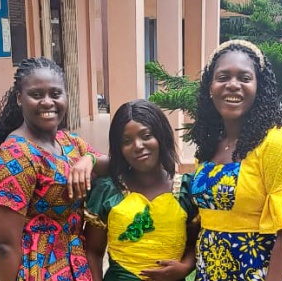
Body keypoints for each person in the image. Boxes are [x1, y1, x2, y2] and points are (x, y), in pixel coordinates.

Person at [190, 40, 282, 280]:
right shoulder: (209, 147)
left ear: (259, 87)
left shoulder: (278, 144)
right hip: (210, 270)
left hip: (257, 271)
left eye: (244, 78)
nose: (233, 85)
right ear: (210, 87)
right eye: (223, 77)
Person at [0, 57, 108, 281]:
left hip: (75, 264)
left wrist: (90, 159)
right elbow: (4, 246)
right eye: (36, 95)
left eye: (55, 94)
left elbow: (115, 165)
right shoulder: (14, 157)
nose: (47, 102)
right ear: (20, 98)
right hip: (35, 269)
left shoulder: (69, 143)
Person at [84, 99, 198, 281]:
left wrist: (184, 267)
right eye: (127, 141)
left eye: (146, 136)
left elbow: (194, 244)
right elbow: (93, 252)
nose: (138, 146)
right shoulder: (108, 191)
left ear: (161, 137)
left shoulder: (186, 189)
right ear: (119, 148)